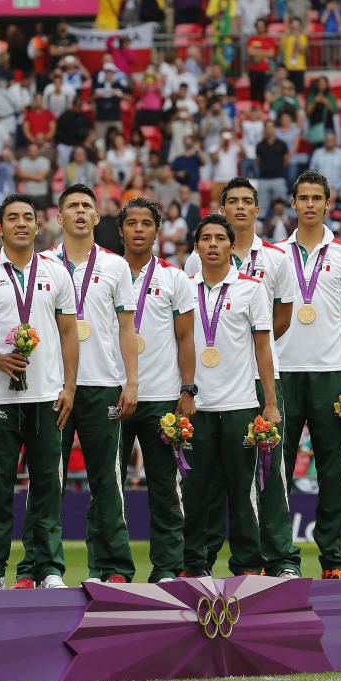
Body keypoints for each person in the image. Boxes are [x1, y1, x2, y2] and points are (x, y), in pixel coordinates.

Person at [184, 178, 302, 577]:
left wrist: (248, 348)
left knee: (264, 476)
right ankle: (200, 559)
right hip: (205, 388)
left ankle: (276, 558)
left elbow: (276, 323)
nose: (238, 206)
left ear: (257, 209)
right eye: (230, 201)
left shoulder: (276, 259)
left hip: (253, 380)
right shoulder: (189, 270)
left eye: (246, 201)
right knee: (207, 479)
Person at [35, 184, 138, 584]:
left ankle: (111, 568)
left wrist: (131, 381)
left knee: (106, 479)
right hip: (52, 386)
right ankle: (45, 568)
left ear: (98, 218)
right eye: (72, 206)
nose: (80, 212)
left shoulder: (115, 266)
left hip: (102, 384)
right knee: (48, 479)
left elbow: (127, 327)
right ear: (58, 218)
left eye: (86, 207)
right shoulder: (42, 264)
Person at [0, 193, 78, 589]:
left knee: (46, 486)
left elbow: (70, 332)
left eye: (28, 218)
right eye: (12, 218)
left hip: (46, 395)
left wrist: (69, 386)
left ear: (39, 227)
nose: (21, 223)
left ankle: (47, 568)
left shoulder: (56, 273)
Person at [275, 171, 341, 578]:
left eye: (317, 198)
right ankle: (279, 559)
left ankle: (335, 559)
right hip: (284, 372)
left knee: (332, 469)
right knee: (277, 467)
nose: (310, 204)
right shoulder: (276, 255)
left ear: (328, 203)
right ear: (293, 203)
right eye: (303, 198)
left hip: (331, 371)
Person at [115, 198, 196, 582]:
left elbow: (186, 339)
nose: (139, 230)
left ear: (156, 230)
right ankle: (111, 567)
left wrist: (187, 390)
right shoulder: (107, 274)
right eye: (131, 223)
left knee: (164, 487)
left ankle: (167, 567)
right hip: (113, 393)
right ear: (121, 230)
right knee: (109, 486)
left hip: (162, 396)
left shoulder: (175, 277)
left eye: (146, 223)